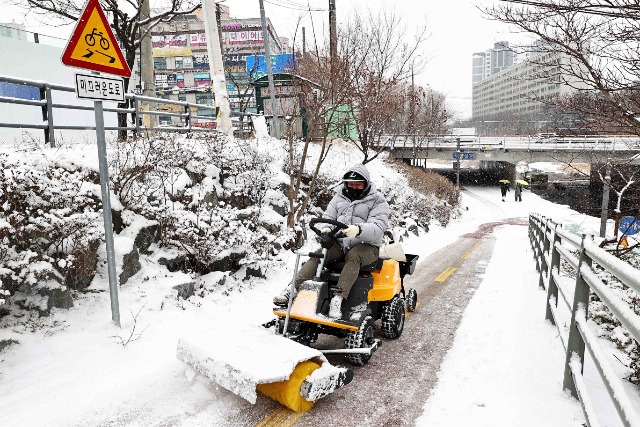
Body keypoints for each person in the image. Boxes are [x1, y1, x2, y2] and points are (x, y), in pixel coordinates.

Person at [273, 163, 390, 319]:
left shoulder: (377, 201)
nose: (354, 187)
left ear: (366, 184)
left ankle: (338, 298)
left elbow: (378, 226)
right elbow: (327, 217)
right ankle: (292, 290)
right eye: (351, 184)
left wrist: (359, 230)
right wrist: (325, 228)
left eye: (358, 184)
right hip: (341, 243)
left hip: (367, 246)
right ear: (346, 183)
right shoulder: (339, 197)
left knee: (354, 256)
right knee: (319, 254)